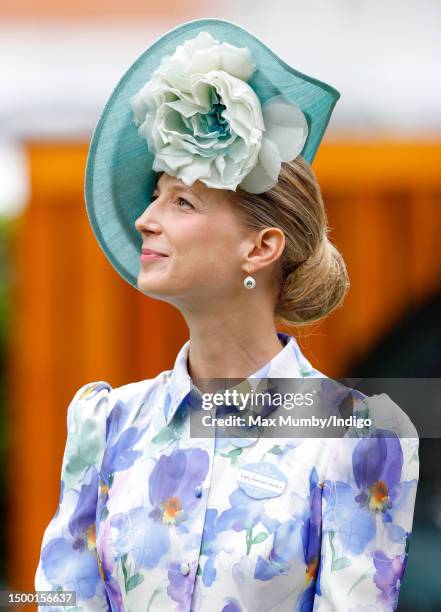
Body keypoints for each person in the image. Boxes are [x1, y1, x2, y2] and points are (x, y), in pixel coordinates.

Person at [34, 18, 419, 612]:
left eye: (182, 200)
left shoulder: (355, 437)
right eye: (155, 195)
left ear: (261, 248)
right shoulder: (105, 424)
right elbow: (59, 599)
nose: (146, 219)